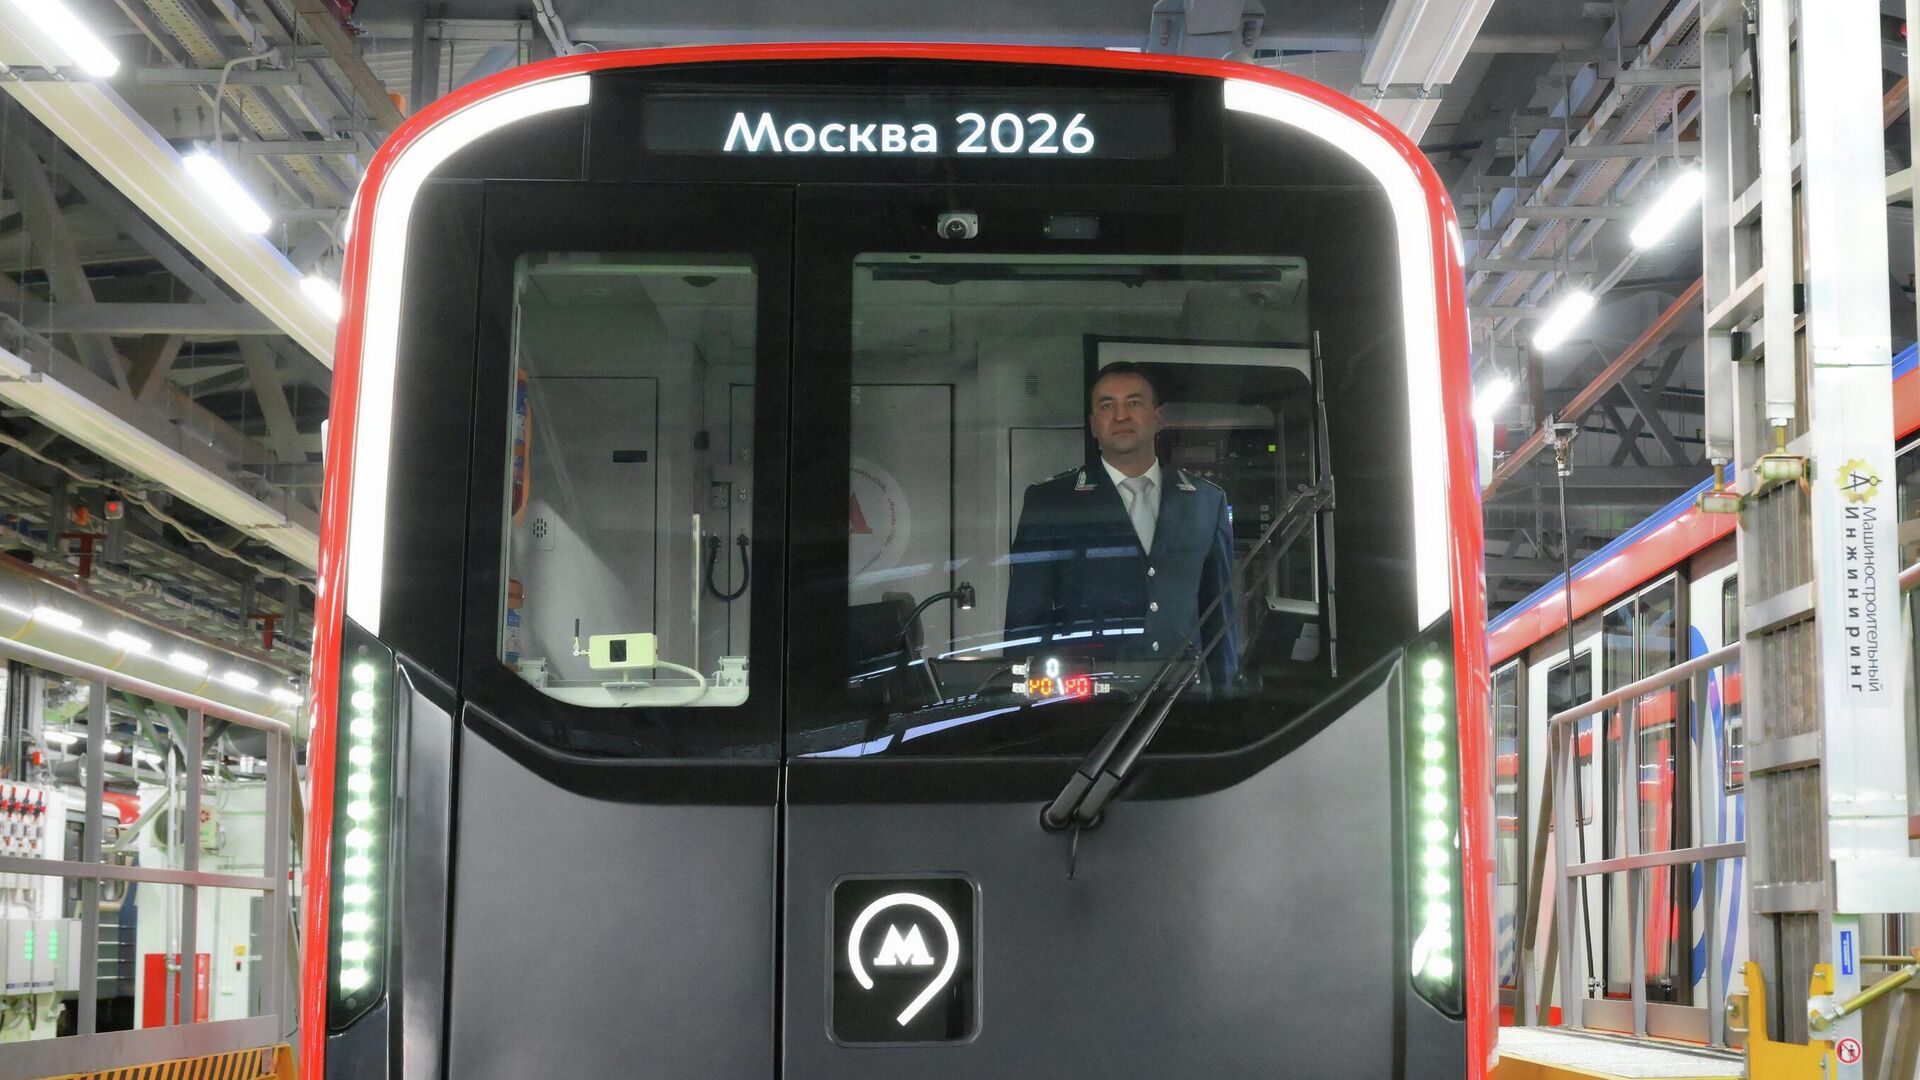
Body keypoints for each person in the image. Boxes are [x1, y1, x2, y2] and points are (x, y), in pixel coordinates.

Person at [1004, 362, 1237, 693]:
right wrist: (1027, 705)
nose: (1121, 416)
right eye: (1107, 405)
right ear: (1093, 425)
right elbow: (1026, 620)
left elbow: (1219, 618)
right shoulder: (1052, 502)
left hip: (1184, 700)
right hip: (1088, 702)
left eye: (1134, 403)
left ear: (1158, 417)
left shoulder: (1205, 500)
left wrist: (1227, 701)